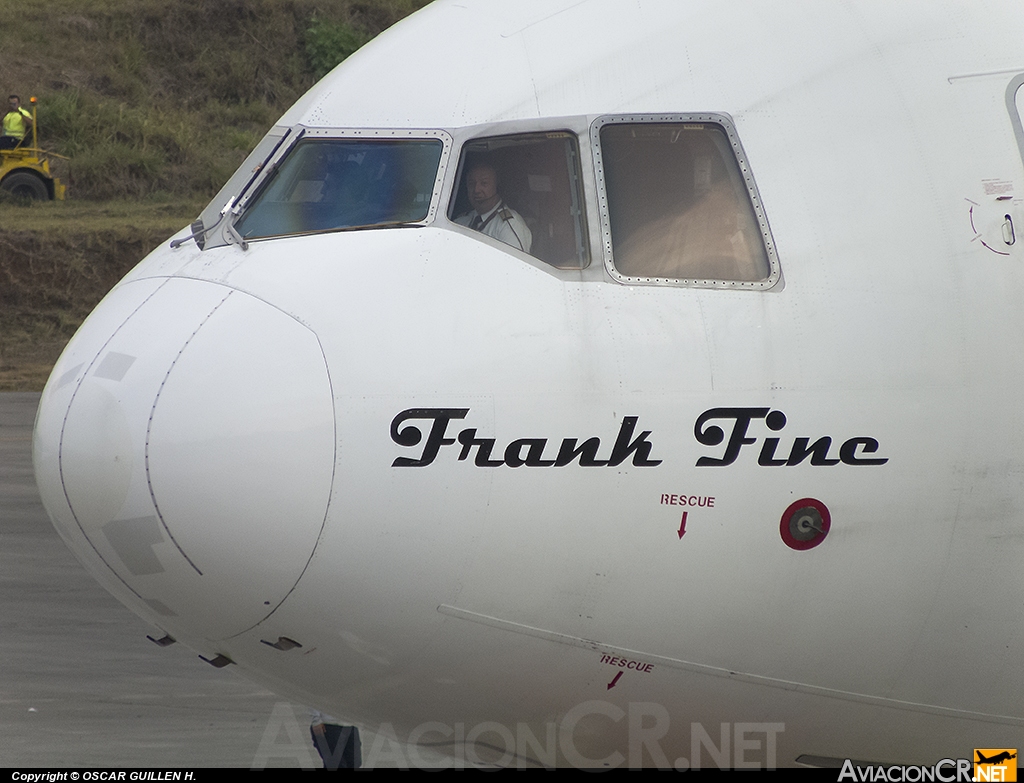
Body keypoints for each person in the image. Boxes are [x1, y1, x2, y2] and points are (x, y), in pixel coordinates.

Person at [454, 162, 532, 253]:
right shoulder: (461, 222)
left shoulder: (509, 225)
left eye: (484, 183)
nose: (476, 190)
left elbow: (513, 265)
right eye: (472, 184)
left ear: (497, 187)